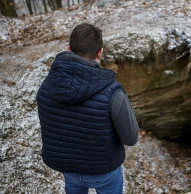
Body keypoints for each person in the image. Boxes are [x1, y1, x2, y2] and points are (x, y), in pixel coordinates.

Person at [36, 23, 139, 194]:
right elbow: (131, 138)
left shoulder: (46, 87)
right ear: (100, 52)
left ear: (68, 49)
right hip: (104, 171)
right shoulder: (113, 93)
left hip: (67, 168)